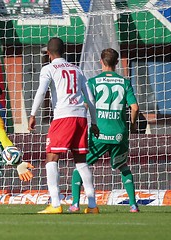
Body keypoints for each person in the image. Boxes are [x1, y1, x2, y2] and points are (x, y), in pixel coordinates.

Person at [28, 37, 100, 214]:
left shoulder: (49, 68)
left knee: (51, 158)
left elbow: (41, 91)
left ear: (48, 53)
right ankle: (92, 205)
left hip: (63, 117)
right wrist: (95, 122)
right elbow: (90, 98)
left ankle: (55, 204)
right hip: (81, 118)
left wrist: (32, 114)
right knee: (81, 162)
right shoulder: (77, 69)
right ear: (63, 51)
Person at [69, 48, 140, 213]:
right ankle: (133, 205)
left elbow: (85, 106)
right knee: (123, 167)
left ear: (101, 61)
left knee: (80, 166)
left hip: (98, 133)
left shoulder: (93, 82)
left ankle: (75, 204)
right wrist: (133, 124)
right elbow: (135, 108)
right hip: (119, 133)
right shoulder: (125, 82)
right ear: (116, 63)